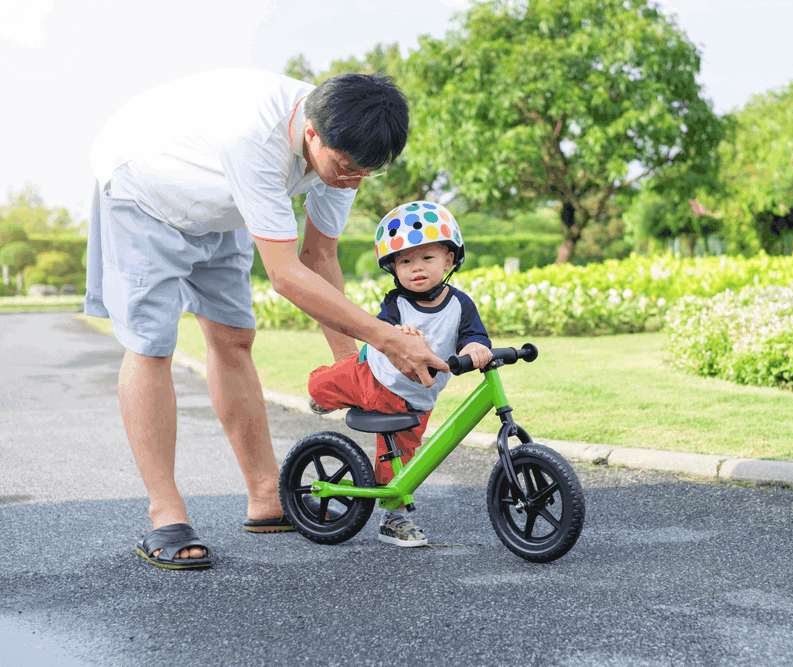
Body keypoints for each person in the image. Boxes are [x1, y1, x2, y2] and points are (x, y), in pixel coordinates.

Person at [86, 69, 449, 570]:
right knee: (152, 344)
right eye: (345, 167)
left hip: (220, 202)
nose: (353, 179)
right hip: (146, 186)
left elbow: (319, 260)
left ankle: (264, 496)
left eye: (366, 172)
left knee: (234, 338)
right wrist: (387, 339)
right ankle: (166, 514)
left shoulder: (348, 150)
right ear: (312, 135)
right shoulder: (254, 138)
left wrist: (359, 373)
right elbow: (284, 274)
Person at [308, 201, 492, 547]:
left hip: (416, 399)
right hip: (374, 377)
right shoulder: (397, 303)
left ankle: (393, 519)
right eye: (405, 261)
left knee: (403, 467)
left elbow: (473, 336)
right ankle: (321, 396)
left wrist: (474, 350)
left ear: (449, 260)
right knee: (326, 382)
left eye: (427, 258)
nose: (416, 268)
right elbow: (384, 331)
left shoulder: (461, 305)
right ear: (393, 268)